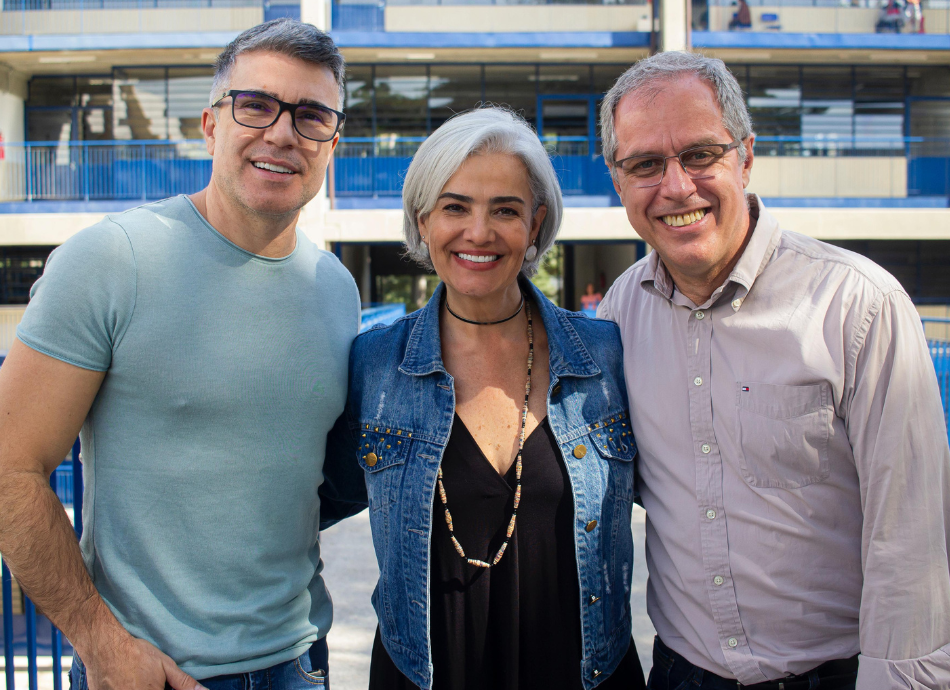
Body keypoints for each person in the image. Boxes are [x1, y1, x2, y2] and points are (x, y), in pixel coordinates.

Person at [0, 18, 359, 690]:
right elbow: (9, 467)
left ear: (332, 143)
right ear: (211, 124)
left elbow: (305, 478)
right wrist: (101, 643)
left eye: (311, 116)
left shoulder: (335, 290)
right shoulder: (111, 261)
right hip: (150, 673)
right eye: (256, 105)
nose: (282, 133)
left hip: (302, 663)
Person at [597, 50, 950, 690]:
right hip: (681, 674)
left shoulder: (858, 306)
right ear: (617, 181)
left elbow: (912, 543)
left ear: (747, 156)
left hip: (837, 674)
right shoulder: (620, 314)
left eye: (700, 154)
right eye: (646, 164)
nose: (677, 187)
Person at [319, 107, 645, 690]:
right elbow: (302, 503)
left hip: (588, 674)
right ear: (423, 220)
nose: (479, 232)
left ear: (536, 224)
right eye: (455, 206)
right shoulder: (372, 364)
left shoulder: (605, 356)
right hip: (421, 673)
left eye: (505, 210)